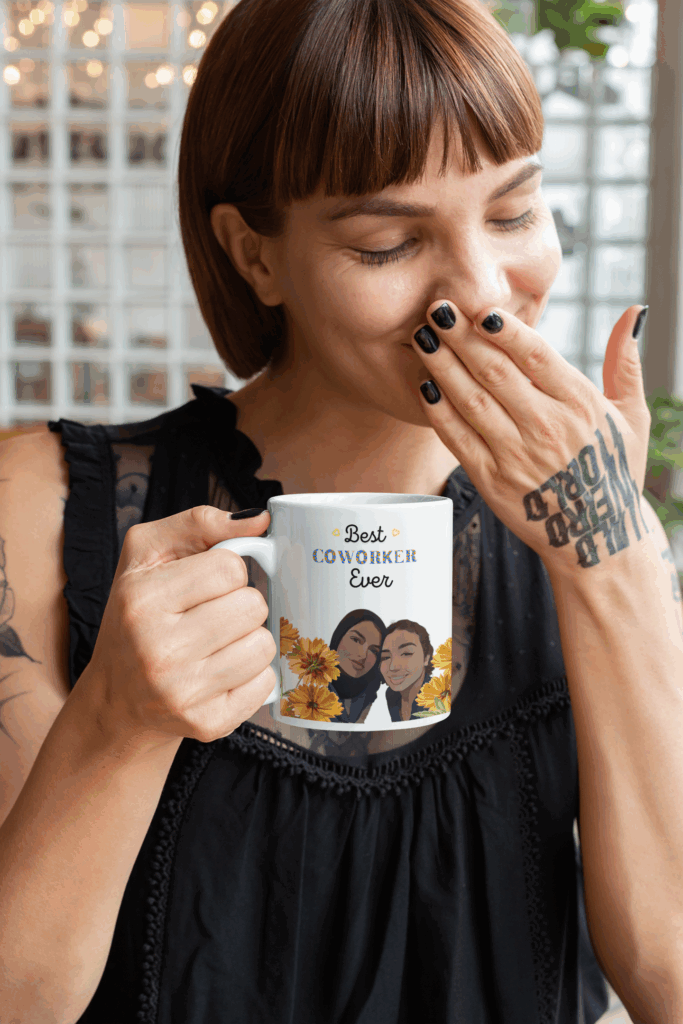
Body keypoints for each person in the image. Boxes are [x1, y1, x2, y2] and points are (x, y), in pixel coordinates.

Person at [0, 0, 682, 1021]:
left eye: (511, 211)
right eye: (383, 243)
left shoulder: (591, 526)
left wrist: (608, 554)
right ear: (254, 254)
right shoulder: (41, 505)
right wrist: (116, 721)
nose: (484, 289)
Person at [326, 608, 386, 724]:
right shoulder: (311, 681)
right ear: (339, 636)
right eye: (356, 640)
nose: (363, 655)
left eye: (373, 650)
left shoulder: (369, 690)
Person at [380, 619, 434, 722]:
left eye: (406, 653)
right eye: (385, 657)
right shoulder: (391, 695)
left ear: (426, 658)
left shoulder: (437, 697)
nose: (393, 666)